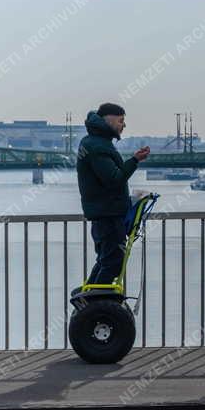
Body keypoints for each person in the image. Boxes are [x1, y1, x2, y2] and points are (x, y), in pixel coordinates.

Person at [77, 103, 150, 285]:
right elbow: (114, 179)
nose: (123, 125)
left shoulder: (96, 142)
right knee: (113, 262)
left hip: (105, 214)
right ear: (108, 119)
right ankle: (95, 305)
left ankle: (87, 302)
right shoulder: (98, 146)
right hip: (108, 216)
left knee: (106, 261)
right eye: (121, 120)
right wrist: (134, 160)